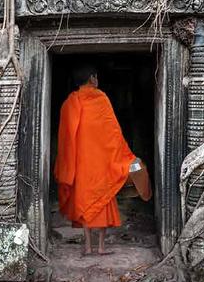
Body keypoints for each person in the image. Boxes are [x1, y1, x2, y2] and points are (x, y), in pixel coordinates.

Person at [54, 65, 148, 256]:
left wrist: (67, 165)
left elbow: (64, 140)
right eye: (96, 77)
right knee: (103, 201)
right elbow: (112, 134)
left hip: (80, 165)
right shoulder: (100, 98)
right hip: (102, 164)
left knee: (85, 203)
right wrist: (126, 156)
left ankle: (88, 247)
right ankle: (102, 248)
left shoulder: (69, 103)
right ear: (92, 78)